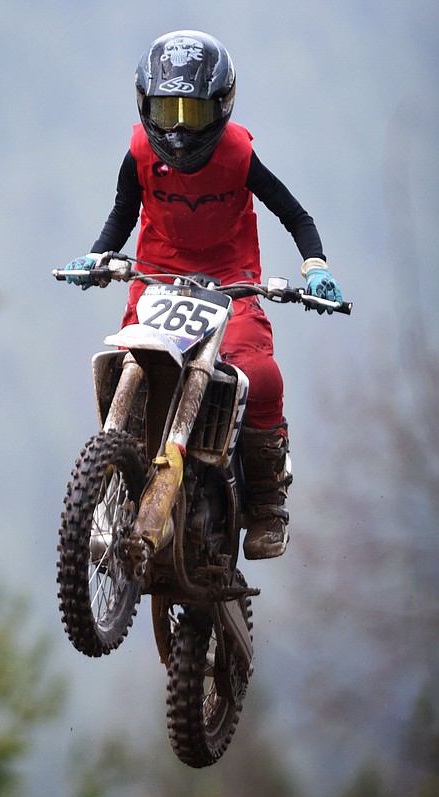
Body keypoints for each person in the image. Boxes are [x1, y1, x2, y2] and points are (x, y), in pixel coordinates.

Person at [63, 30, 343, 560]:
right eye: (166, 112)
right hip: (156, 276)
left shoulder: (238, 154)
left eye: (191, 114)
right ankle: (118, 477)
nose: (177, 129)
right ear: (146, 105)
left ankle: (266, 502)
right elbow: (123, 214)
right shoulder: (141, 152)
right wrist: (97, 256)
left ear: (220, 108)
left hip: (230, 281)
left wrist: (316, 267)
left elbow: (296, 215)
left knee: (259, 375)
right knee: (126, 363)